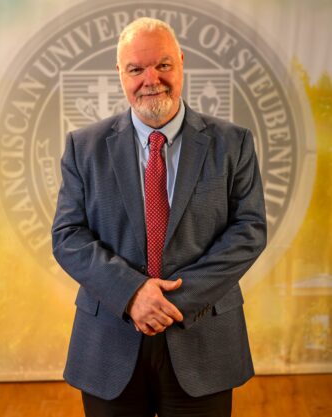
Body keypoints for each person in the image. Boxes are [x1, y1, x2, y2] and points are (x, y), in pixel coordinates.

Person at [52, 17, 267, 417]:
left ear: (182, 62)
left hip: (203, 338)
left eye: (163, 65)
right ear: (120, 73)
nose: (151, 79)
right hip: (109, 342)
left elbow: (249, 231)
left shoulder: (232, 143)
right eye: (136, 69)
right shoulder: (83, 147)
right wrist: (133, 294)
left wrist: (171, 302)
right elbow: (68, 236)